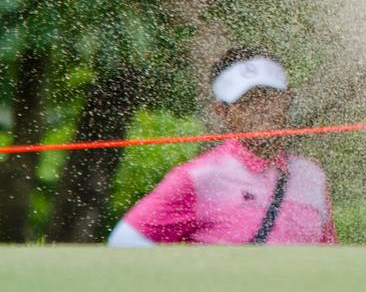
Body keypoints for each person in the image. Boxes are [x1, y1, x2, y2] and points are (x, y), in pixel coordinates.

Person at [107, 48, 336, 246]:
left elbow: (329, 256)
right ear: (223, 112)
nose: (261, 109)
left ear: (287, 100)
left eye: (269, 97)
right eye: (247, 101)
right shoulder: (197, 178)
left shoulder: (312, 176)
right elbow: (124, 242)